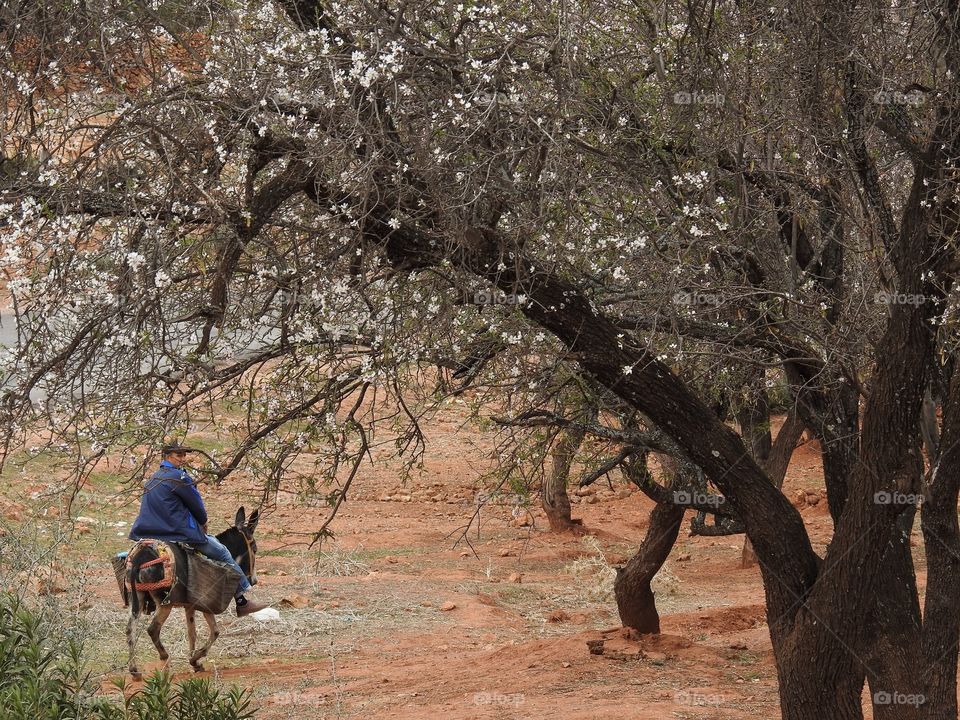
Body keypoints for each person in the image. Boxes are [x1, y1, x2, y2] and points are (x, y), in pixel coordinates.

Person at [129, 442, 268, 616]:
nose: (183, 459)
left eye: (184, 455)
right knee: (222, 552)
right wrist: (202, 522)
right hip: (177, 533)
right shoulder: (179, 478)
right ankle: (242, 600)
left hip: (146, 533)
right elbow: (197, 507)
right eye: (178, 455)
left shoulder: (152, 479)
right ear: (167, 456)